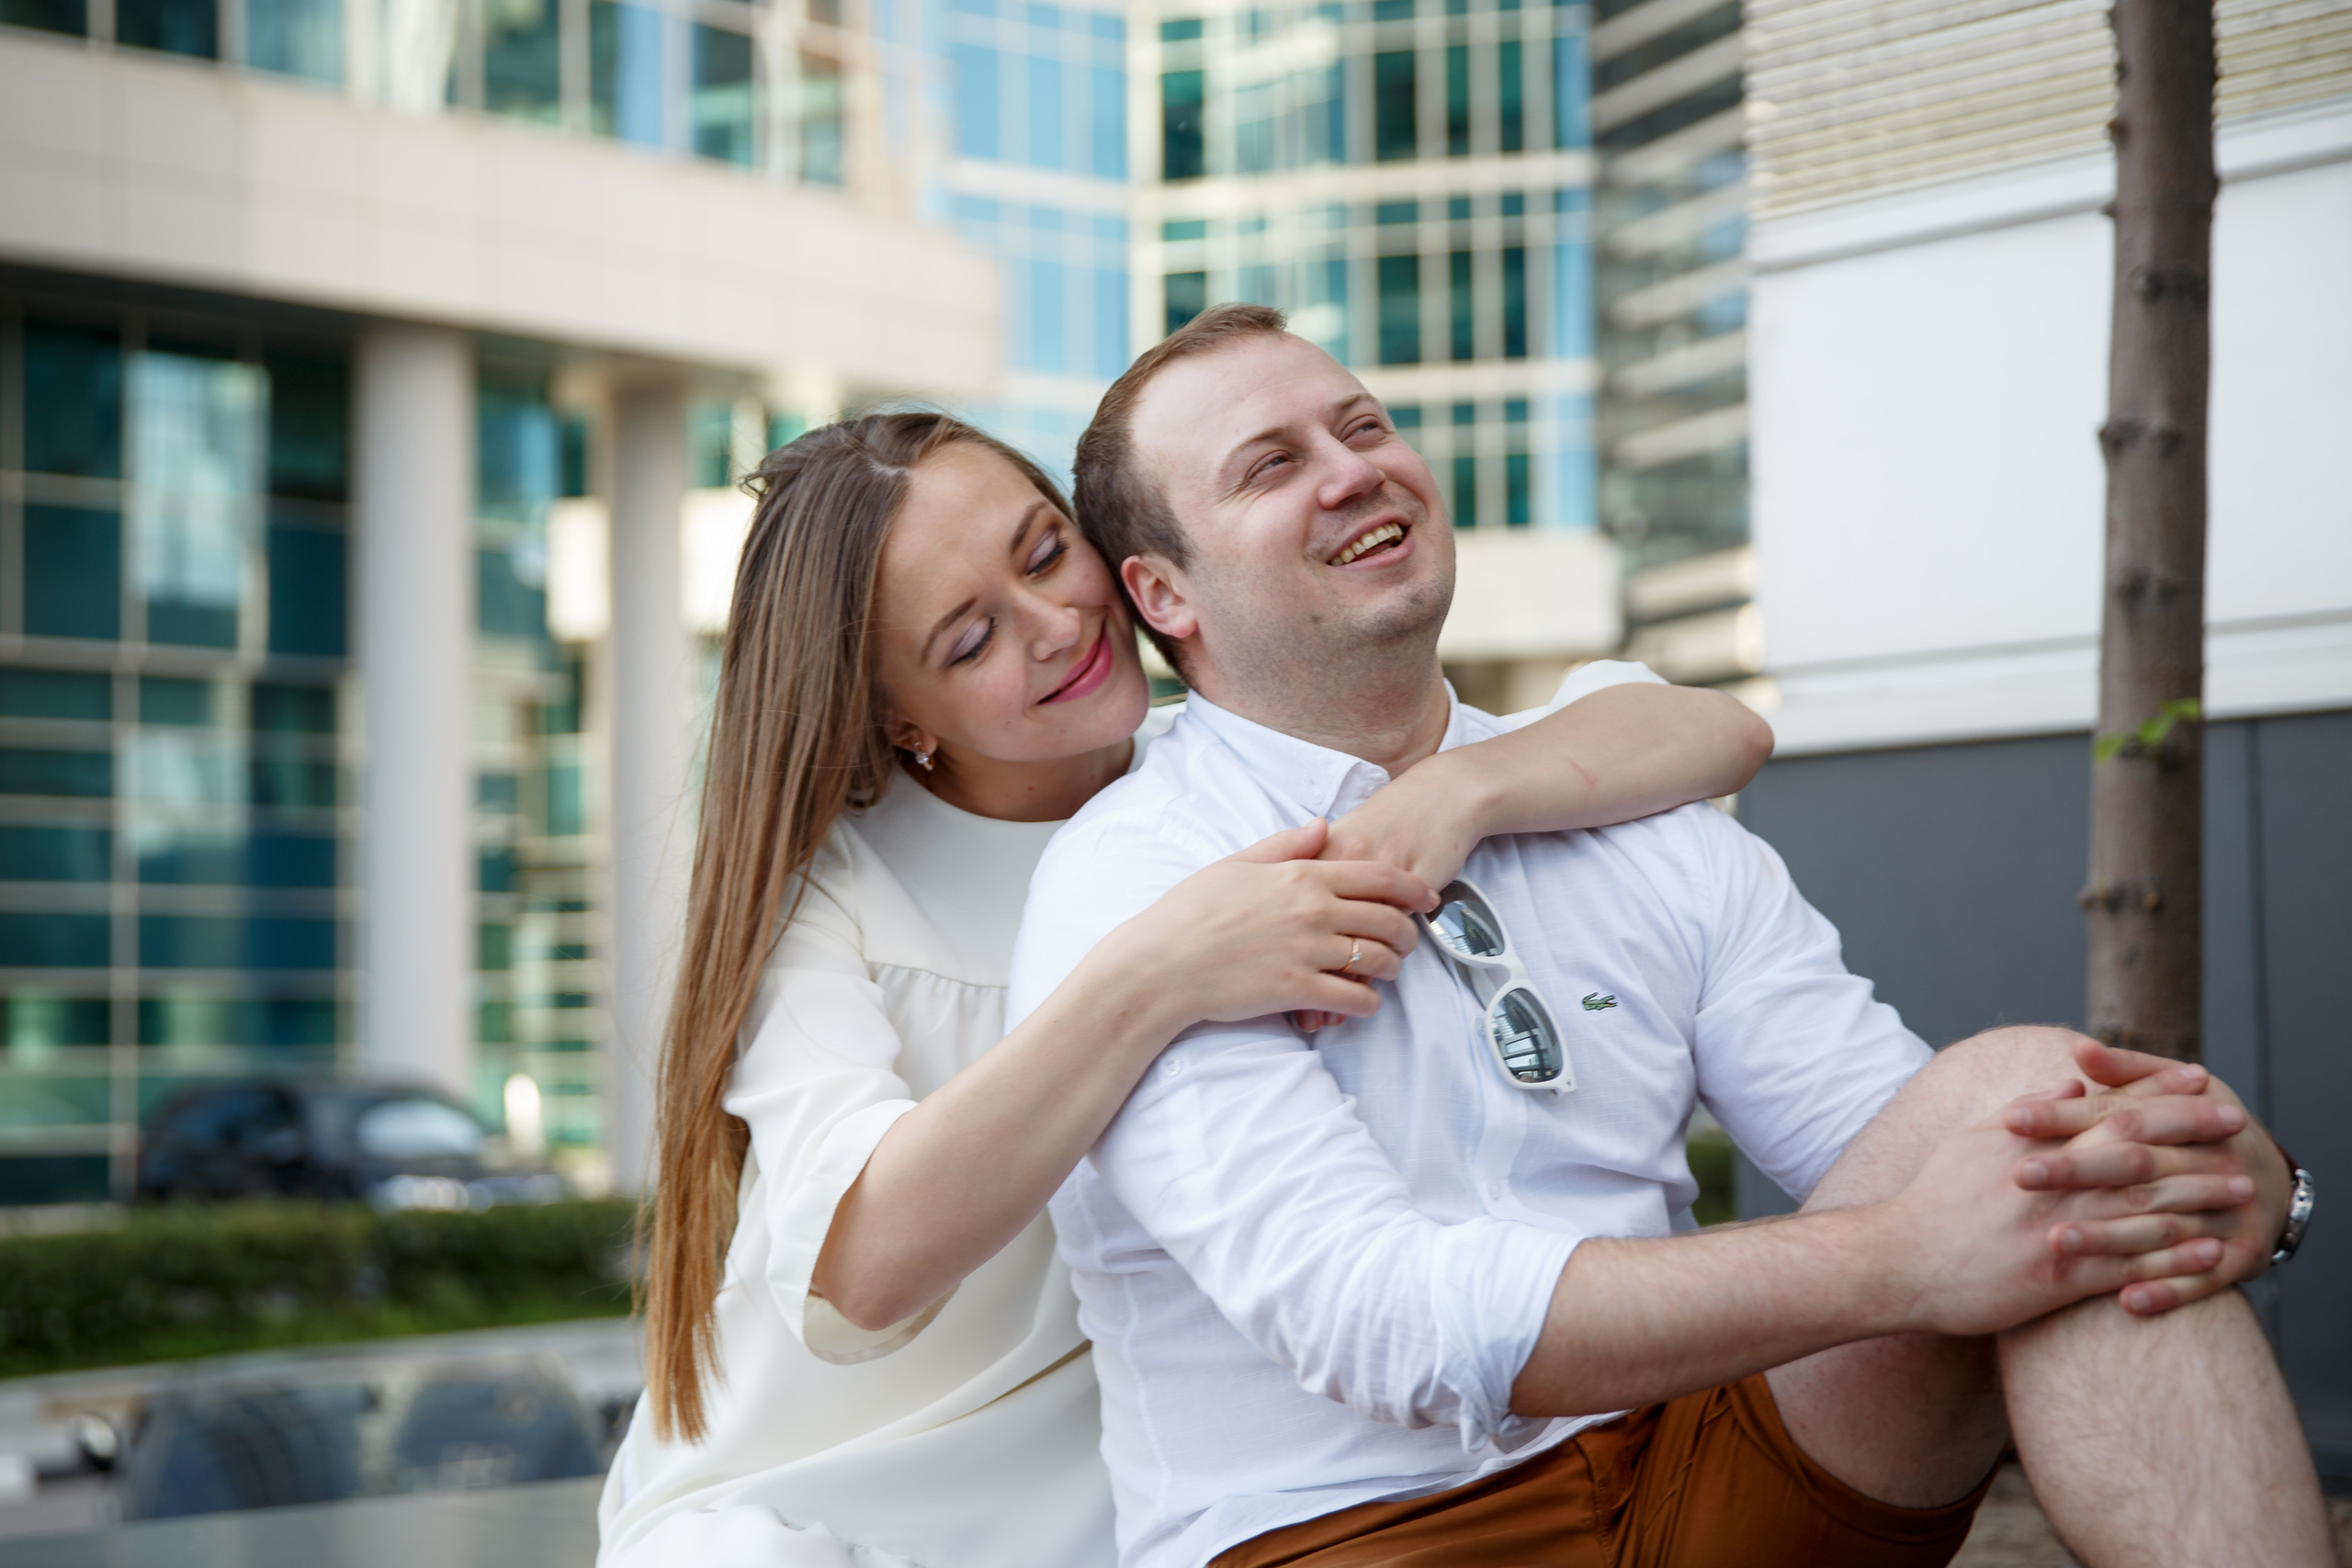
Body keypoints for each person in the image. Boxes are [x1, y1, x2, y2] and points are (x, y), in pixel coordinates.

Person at [1006, 305, 2330, 1568]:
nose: (1355, 472)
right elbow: (1374, 1316)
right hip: (1345, 1527)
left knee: (2031, 1100)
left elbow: (1908, 1125)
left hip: (1704, 1469)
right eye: (1273, 465)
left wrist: (2234, 1188)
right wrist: (1910, 1254)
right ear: (1164, 593)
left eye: (1364, 426)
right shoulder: (1147, 873)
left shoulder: (1617, 801)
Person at [595, 411, 1778, 1568]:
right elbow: (863, 1267)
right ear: (897, 716)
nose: (1056, 625)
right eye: (970, 640)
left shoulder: (1217, 774)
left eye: (1047, 551)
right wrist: (1153, 973)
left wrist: (1455, 793)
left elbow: (1713, 730)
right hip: (814, 1497)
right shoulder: (828, 897)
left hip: (1116, 1491)